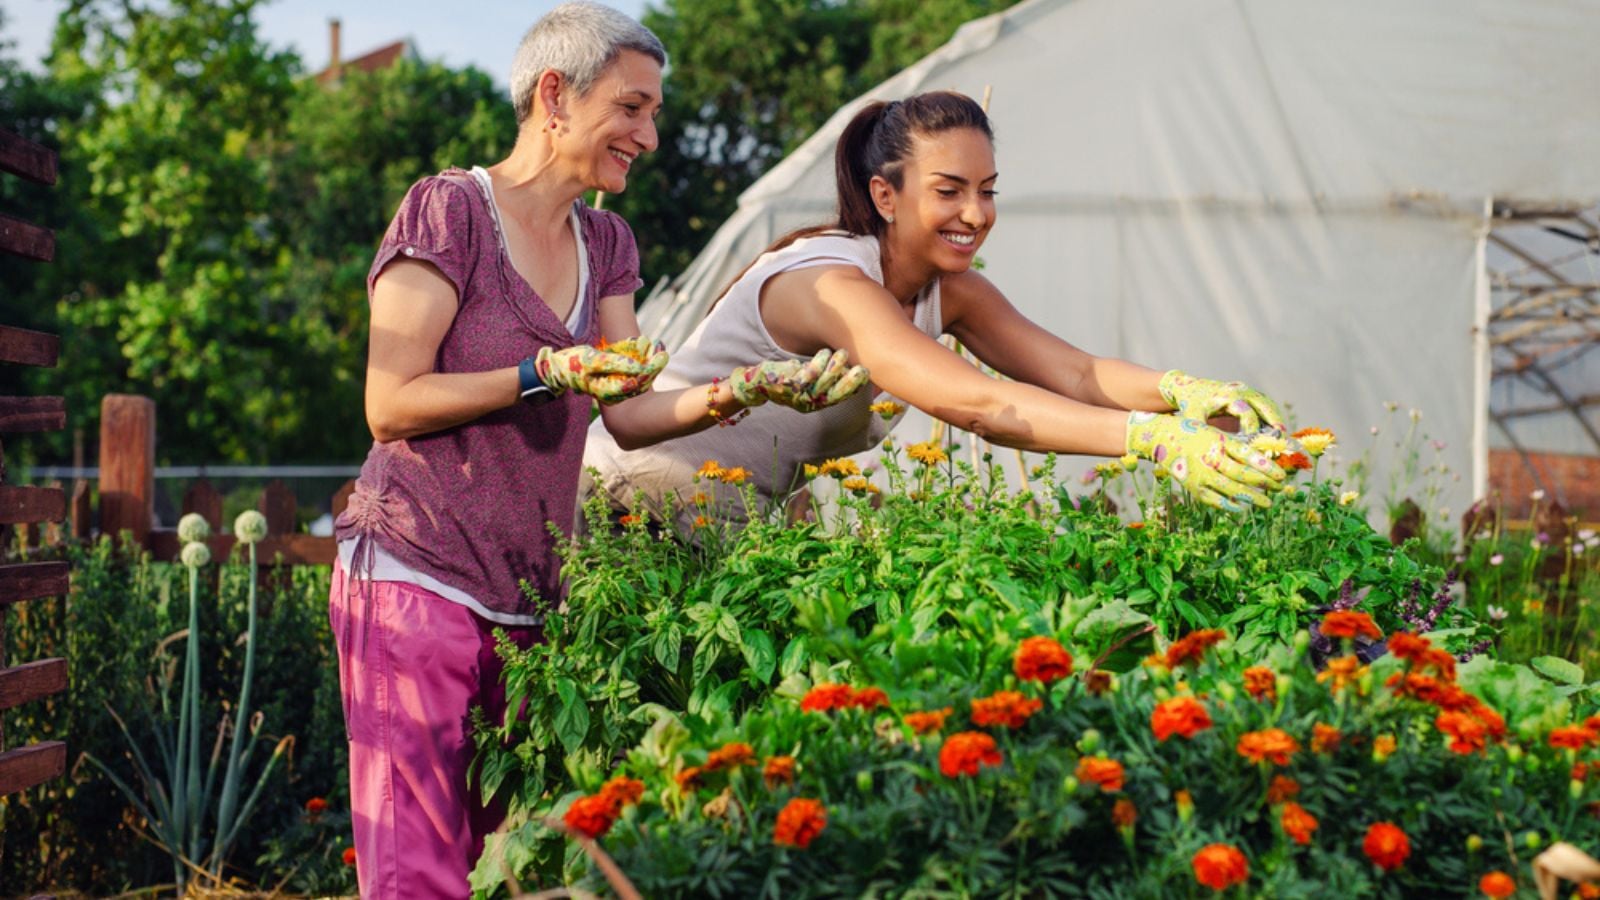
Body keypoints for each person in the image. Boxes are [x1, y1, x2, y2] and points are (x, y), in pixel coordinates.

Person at [328, 4, 865, 896]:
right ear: (554, 96)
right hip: (415, 568)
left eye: (652, 113)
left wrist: (750, 388)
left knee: (506, 854)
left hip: (530, 592)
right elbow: (390, 403)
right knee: (417, 865)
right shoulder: (450, 211)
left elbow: (631, 410)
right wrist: (542, 370)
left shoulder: (607, 241)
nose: (648, 136)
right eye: (632, 108)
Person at [584, 91, 1289, 523]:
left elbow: (1074, 374)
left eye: (988, 190)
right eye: (949, 190)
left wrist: (1181, 395)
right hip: (622, 512)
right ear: (885, 196)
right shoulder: (833, 286)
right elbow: (977, 406)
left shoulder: (951, 293)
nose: (975, 213)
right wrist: (1151, 440)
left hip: (728, 531)